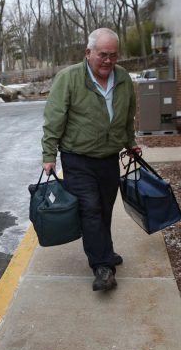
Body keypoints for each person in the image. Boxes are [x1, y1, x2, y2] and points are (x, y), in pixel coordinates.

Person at [41, 27, 141, 291]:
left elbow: (128, 115)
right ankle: (102, 266)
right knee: (90, 209)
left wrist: (130, 144)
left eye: (113, 55)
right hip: (77, 158)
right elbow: (54, 120)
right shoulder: (68, 78)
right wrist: (49, 154)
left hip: (108, 157)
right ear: (88, 53)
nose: (108, 61)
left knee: (105, 209)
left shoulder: (123, 79)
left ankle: (104, 251)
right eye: (103, 55)